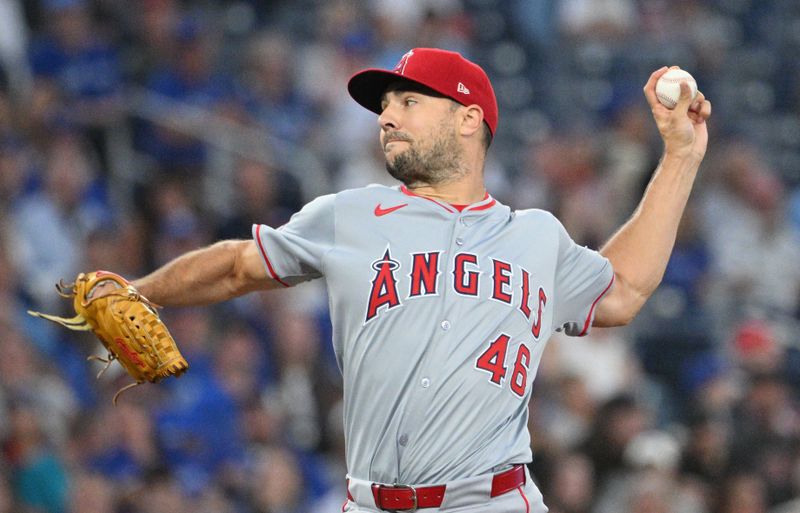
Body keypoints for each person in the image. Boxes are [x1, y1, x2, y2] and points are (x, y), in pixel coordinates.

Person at [99, 48, 711, 512]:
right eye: (384, 107)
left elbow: (624, 290)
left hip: (490, 500)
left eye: (408, 102)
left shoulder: (536, 235)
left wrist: (681, 156)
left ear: (468, 118)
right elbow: (237, 265)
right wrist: (139, 290)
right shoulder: (349, 214)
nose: (387, 117)